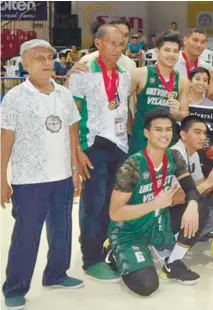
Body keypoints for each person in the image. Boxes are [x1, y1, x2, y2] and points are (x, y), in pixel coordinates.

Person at [1, 39, 83, 310]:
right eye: (39, 58)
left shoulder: (64, 94)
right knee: (27, 235)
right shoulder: (15, 97)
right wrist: (1, 177)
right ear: (24, 64)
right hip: (29, 180)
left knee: (62, 230)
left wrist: (74, 170)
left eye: (50, 57)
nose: (47, 63)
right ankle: (15, 287)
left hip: (61, 176)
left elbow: (72, 133)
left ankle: (56, 274)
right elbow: (5, 139)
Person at [108, 109, 200, 296]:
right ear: (146, 133)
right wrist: (155, 204)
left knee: (203, 209)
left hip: (158, 224)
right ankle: (113, 252)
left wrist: (192, 206)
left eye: (168, 129)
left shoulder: (174, 157)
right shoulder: (131, 166)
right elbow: (115, 213)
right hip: (130, 231)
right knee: (147, 285)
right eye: (158, 129)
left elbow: (191, 189)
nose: (164, 134)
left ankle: (172, 262)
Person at [68, 24, 133, 283]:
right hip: (92, 144)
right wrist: (76, 151)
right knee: (93, 202)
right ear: (98, 43)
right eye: (112, 43)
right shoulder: (83, 73)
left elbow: (122, 110)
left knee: (111, 202)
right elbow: (72, 115)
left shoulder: (125, 74)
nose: (117, 49)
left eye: (121, 44)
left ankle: (106, 247)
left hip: (118, 145)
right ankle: (90, 258)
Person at [163, 116, 213, 283]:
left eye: (204, 133)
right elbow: (175, 198)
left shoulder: (194, 155)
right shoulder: (176, 154)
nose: (202, 137)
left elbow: (200, 188)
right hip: (159, 213)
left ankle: (171, 246)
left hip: (175, 210)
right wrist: (208, 184)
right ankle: (172, 261)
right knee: (200, 208)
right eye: (197, 132)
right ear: (183, 134)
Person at [129, 31, 190, 155]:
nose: (171, 55)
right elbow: (121, 102)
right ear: (157, 51)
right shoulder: (140, 74)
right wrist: (129, 127)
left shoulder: (182, 82)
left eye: (175, 51)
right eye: (167, 50)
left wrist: (176, 113)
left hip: (167, 141)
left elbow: (184, 113)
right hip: (141, 140)